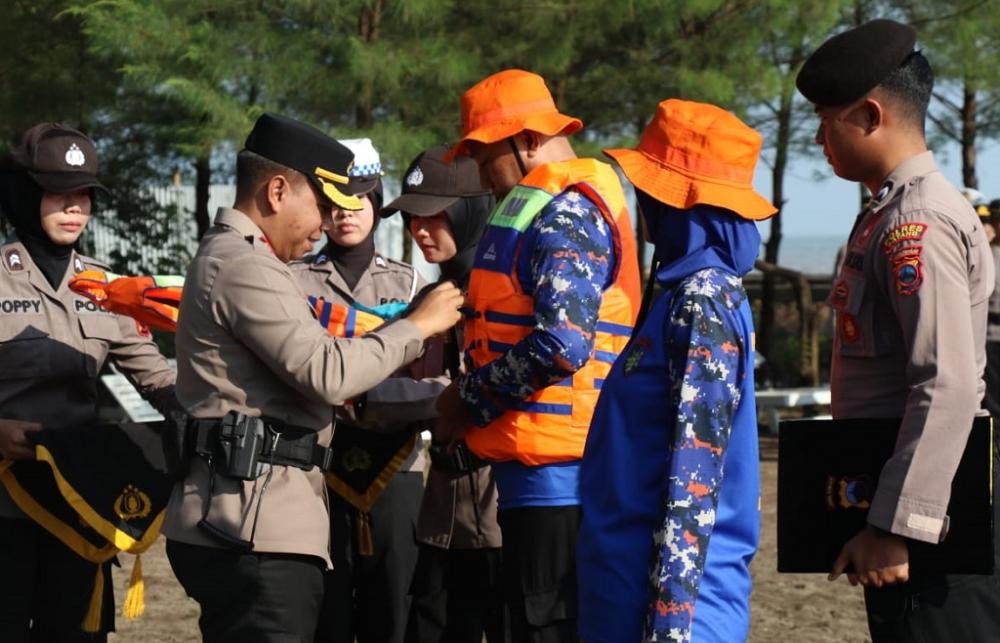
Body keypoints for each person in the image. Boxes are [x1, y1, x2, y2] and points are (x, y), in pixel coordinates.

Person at [161, 113, 463, 643]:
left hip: (253, 518)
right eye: (321, 205)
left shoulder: (243, 259)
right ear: (277, 191)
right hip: (252, 528)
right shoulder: (246, 265)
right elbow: (327, 373)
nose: (326, 223)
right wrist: (416, 326)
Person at [797, 19, 998, 641]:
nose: (819, 137)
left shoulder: (917, 223)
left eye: (827, 119)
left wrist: (895, 527)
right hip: (906, 507)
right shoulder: (891, 211)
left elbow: (947, 385)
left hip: (925, 527)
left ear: (869, 114)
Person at [436, 69, 641, 642]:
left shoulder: (567, 215)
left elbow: (563, 344)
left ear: (527, 140)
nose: (479, 174)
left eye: (484, 155)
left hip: (565, 487)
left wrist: (466, 401)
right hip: (545, 480)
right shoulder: (551, 210)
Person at [577, 99, 776, 643]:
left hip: (672, 612)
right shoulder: (675, 295)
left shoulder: (703, 301)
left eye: (650, 186)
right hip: (623, 594)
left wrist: (669, 627)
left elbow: (695, 477)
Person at [0, 123, 178, 642]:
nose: (75, 206)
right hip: (4, 506)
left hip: (80, 506)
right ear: (24, 194)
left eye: (84, 195)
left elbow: (158, 379)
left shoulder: (107, 290)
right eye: (59, 193)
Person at [290, 137, 432, 643]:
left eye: (360, 199)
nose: (347, 213)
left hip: (398, 467)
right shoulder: (290, 282)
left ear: (377, 203)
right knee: (327, 612)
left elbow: (434, 377)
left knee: (394, 610)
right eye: (334, 203)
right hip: (317, 466)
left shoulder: (413, 285)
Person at [381, 144, 505, 643]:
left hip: (503, 514)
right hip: (440, 517)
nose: (419, 230)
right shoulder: (427, 303)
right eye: (412, 218)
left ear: (469, 209)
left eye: (433, 215)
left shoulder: (510, 295)